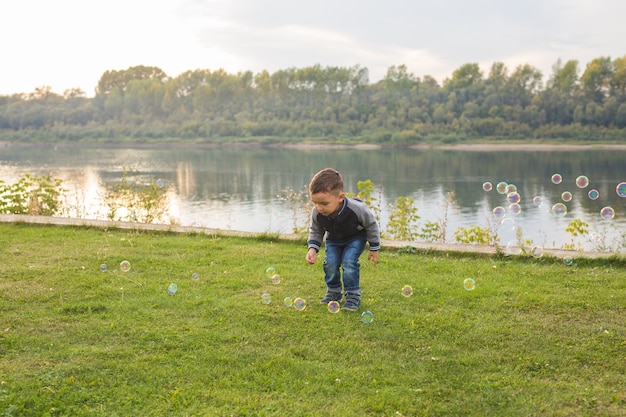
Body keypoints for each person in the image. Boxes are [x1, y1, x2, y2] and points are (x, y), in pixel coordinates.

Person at [305, 168, 380, 311]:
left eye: (324, 203)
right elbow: (316, 231)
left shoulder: (356, 209)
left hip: (355, 238)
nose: (319, 208)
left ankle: (352, 296)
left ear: (340, 197)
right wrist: (312, 249)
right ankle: (333, 293)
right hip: (333, 238)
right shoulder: (317, 213)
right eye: (315, 203)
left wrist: (374, 247)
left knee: (349, 262)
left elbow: (371, 225)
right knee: (330, 263)